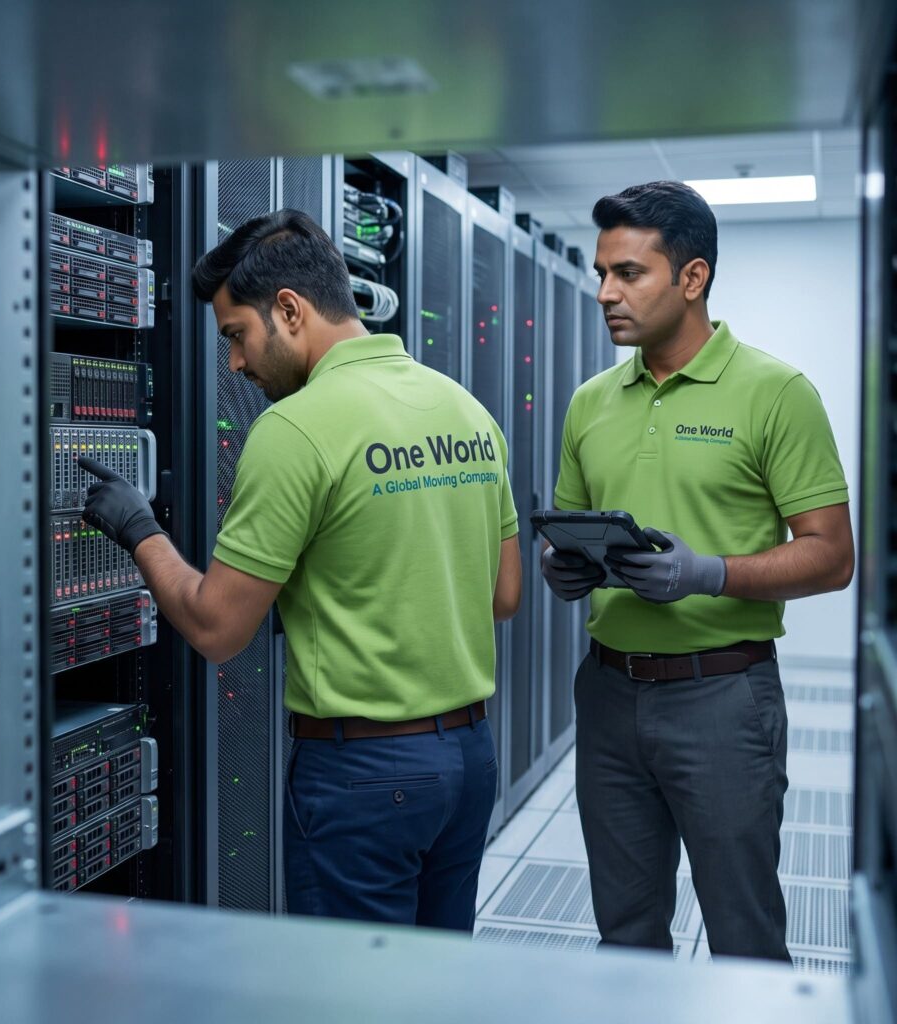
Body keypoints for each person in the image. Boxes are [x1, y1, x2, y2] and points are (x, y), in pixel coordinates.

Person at [79, 209, 521, 931]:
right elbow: (503, 596)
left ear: (289, 309)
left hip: (365, 779)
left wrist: (140, 530)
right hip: (467, 762)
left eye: (236, 335)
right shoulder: (466, 411)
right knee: (438, 986)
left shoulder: (295, 429)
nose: (235, 365)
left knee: (348, 994)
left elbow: (217, 628)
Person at [542, 181, 854, 961]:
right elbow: (569, 528)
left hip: (724, 700)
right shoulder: (590, 402)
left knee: (744, 938)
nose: (606, 292)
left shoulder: (776, 392)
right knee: (626, 935)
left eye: (628, 273)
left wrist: (708, 573)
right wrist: (564, 568)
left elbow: (832, 554)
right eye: (601, 272)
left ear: (693, 278)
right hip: (609, 695)